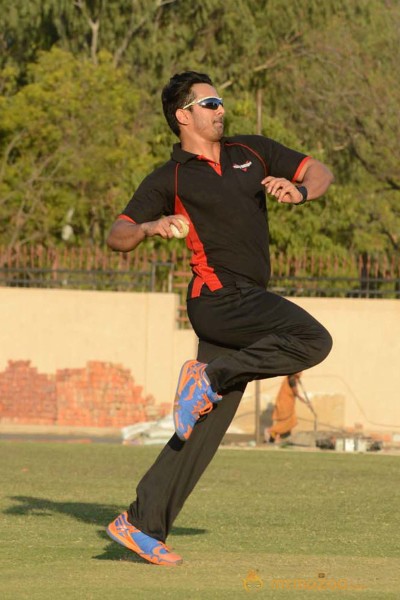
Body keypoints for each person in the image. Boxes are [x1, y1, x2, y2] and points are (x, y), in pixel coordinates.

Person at [105, 71, 334, 566]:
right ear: (183, 116)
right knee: (313, 339)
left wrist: (300, 192)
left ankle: (140, 523)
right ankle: (209, 377)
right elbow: (116, 234)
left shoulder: (250, 151)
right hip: (217, 300)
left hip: (246, 300)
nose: (219, 109)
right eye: (208, 103)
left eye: (220, 101)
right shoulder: (171, 177)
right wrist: (149, 226)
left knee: (202, 430)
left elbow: (320, 172)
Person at [268, 372, 304, 442]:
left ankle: (277, 436)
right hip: (284, 403)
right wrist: (301, 398)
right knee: (285, 421)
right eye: (300, 372)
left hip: (288, 403)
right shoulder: (291, 379)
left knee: (290, 421)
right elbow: (295, 392)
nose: (301, 373)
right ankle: (271, 431)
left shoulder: (294, 379)